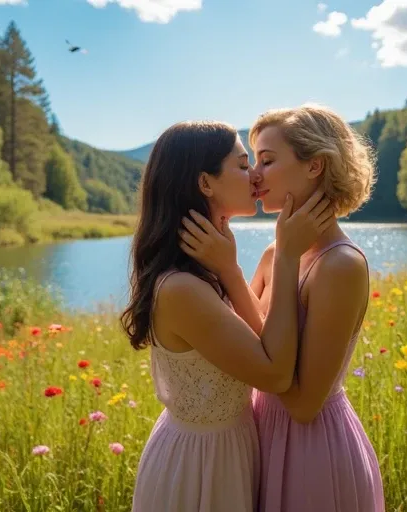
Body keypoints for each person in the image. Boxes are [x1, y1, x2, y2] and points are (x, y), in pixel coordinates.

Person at [120, 120, 333, 512]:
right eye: (241, 164)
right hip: (199, 466)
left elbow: (263, 340)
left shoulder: (208, 268)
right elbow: (275, 373)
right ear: (205, 184)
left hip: (228, 453)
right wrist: (285, 257)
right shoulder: (182, 289)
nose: (254, 175)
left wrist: (230, 270)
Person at [180, 105, 385, 511]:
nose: (254, 174)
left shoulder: (341, 264)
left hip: (313, 453)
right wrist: (229, 268)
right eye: (253, 161)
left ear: (315, 166)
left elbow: (304, 403)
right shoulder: (278, 252)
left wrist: (249, 268)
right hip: (263, 439)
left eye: (267, 161)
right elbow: (256, 343)